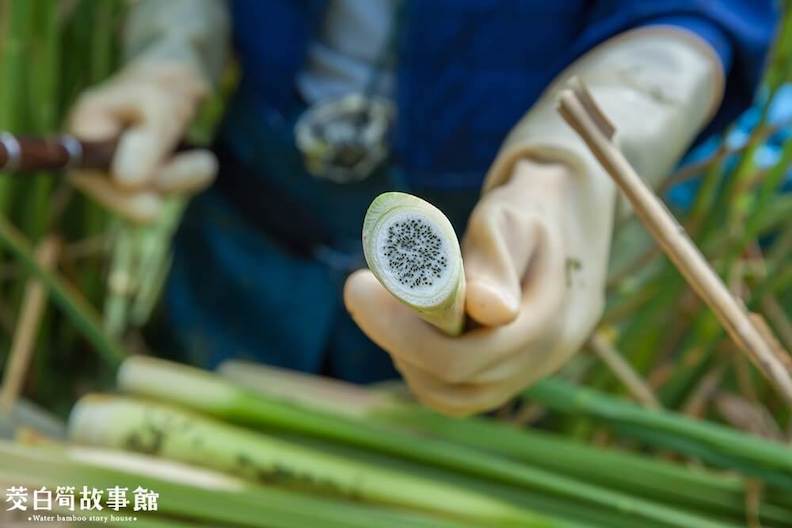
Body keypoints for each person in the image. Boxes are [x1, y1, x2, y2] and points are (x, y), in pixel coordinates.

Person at [68, 1, 779, 416]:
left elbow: (693, 15)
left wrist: (566, 177)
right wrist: (170, 53)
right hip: (247, 215)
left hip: (491, 215)